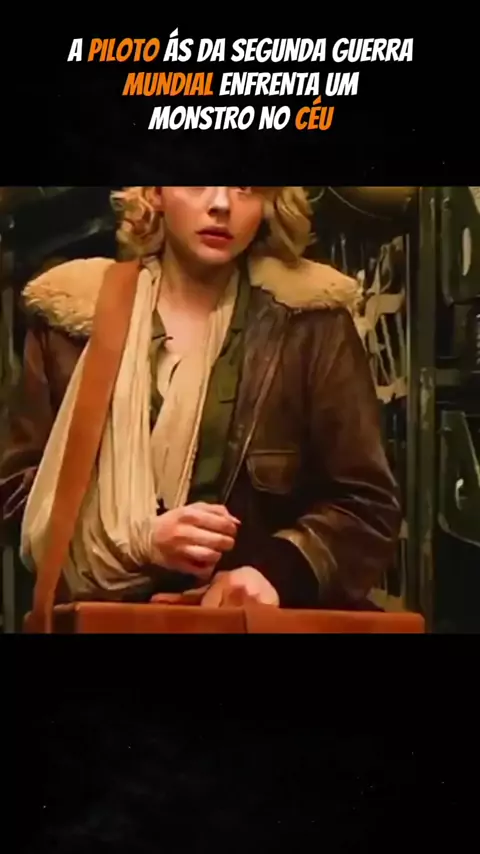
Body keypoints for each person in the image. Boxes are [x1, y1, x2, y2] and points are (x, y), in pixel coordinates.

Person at [0, 186, 401, 610]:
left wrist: (276, 573)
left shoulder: (310, 324)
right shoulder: (73, 322)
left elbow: (366, 506)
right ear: (155, 193)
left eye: (245, 188)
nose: (221, 204)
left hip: (245, 623)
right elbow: (16, 496)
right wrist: (136, 542)